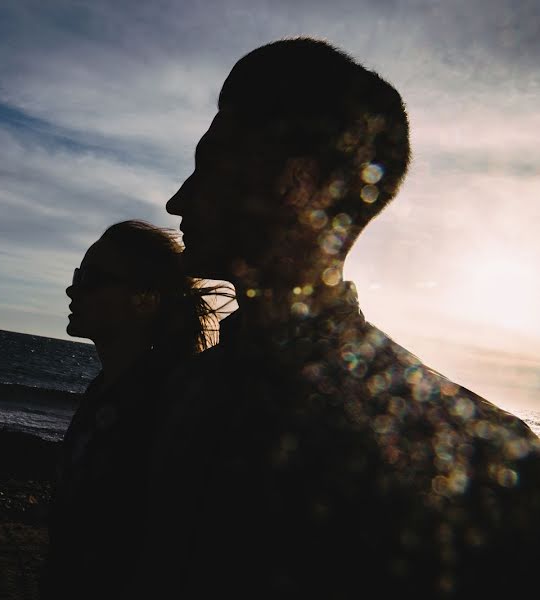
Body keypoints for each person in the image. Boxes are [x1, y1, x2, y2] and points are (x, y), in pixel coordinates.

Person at [136, 38, 540, 598]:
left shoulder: (488, 461)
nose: (177, 201)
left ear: (296, 185)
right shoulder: (187, 386)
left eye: (207, 166)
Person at [41, 220, 225, 600]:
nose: (72, 289)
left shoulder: (167, 404)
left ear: (145, 298)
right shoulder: (106, 389)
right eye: (78, 275)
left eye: (91, 279)